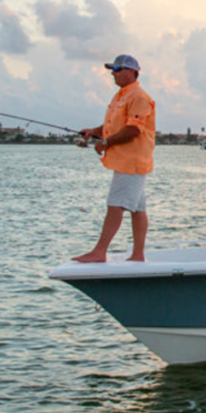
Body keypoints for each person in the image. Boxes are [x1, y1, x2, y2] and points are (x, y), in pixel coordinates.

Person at [72, 54, 156, 263]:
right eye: (113, 70)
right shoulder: (120, 97)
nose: (113, 74)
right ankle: (138, 255)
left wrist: (106, 142)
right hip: (125, 161)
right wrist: (94, 131)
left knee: (115, 205)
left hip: (132, 161)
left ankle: (100, 252)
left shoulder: (139, 97)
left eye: (117, 70)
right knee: (138, 208)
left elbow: (132, 130)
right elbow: (113, 127)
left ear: (130, 72)